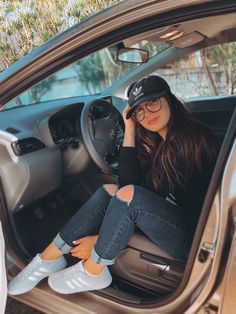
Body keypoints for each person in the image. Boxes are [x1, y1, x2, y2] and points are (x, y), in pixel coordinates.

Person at [8, 75, 218, 295]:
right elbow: (132, 188)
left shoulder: (185, 142)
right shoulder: (165, 141)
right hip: (181, 218)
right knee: (110, 191)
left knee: (127, 195)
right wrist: (129, 128)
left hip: (197, 236)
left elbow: (134, 197)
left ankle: (93, 271)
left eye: (153, 102)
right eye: (139, 110)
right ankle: (48, 257)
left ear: (169, 99)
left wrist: (102, 242)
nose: (147, 114)